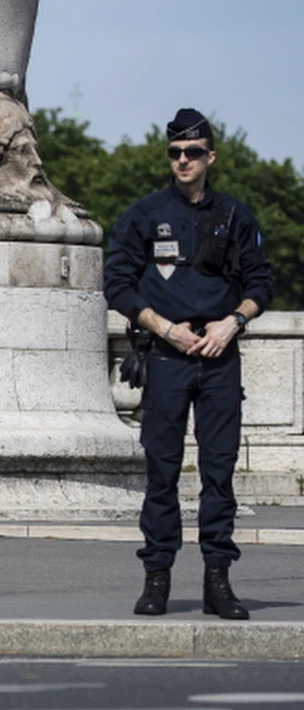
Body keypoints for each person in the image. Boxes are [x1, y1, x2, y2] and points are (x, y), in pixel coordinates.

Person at [103, 108, 274, 620]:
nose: (184, 160)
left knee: (219, 475)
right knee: (162, 473)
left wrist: (232, 323)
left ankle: (217, 582)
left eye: (193, 152)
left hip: (220, 359)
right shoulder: (143, 214)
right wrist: (163, 327)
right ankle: (157, 578)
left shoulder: (235, 216)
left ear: (210, 156)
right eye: (176, 152)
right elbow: (118, 284)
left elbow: (262, 283)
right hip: (167, 356)